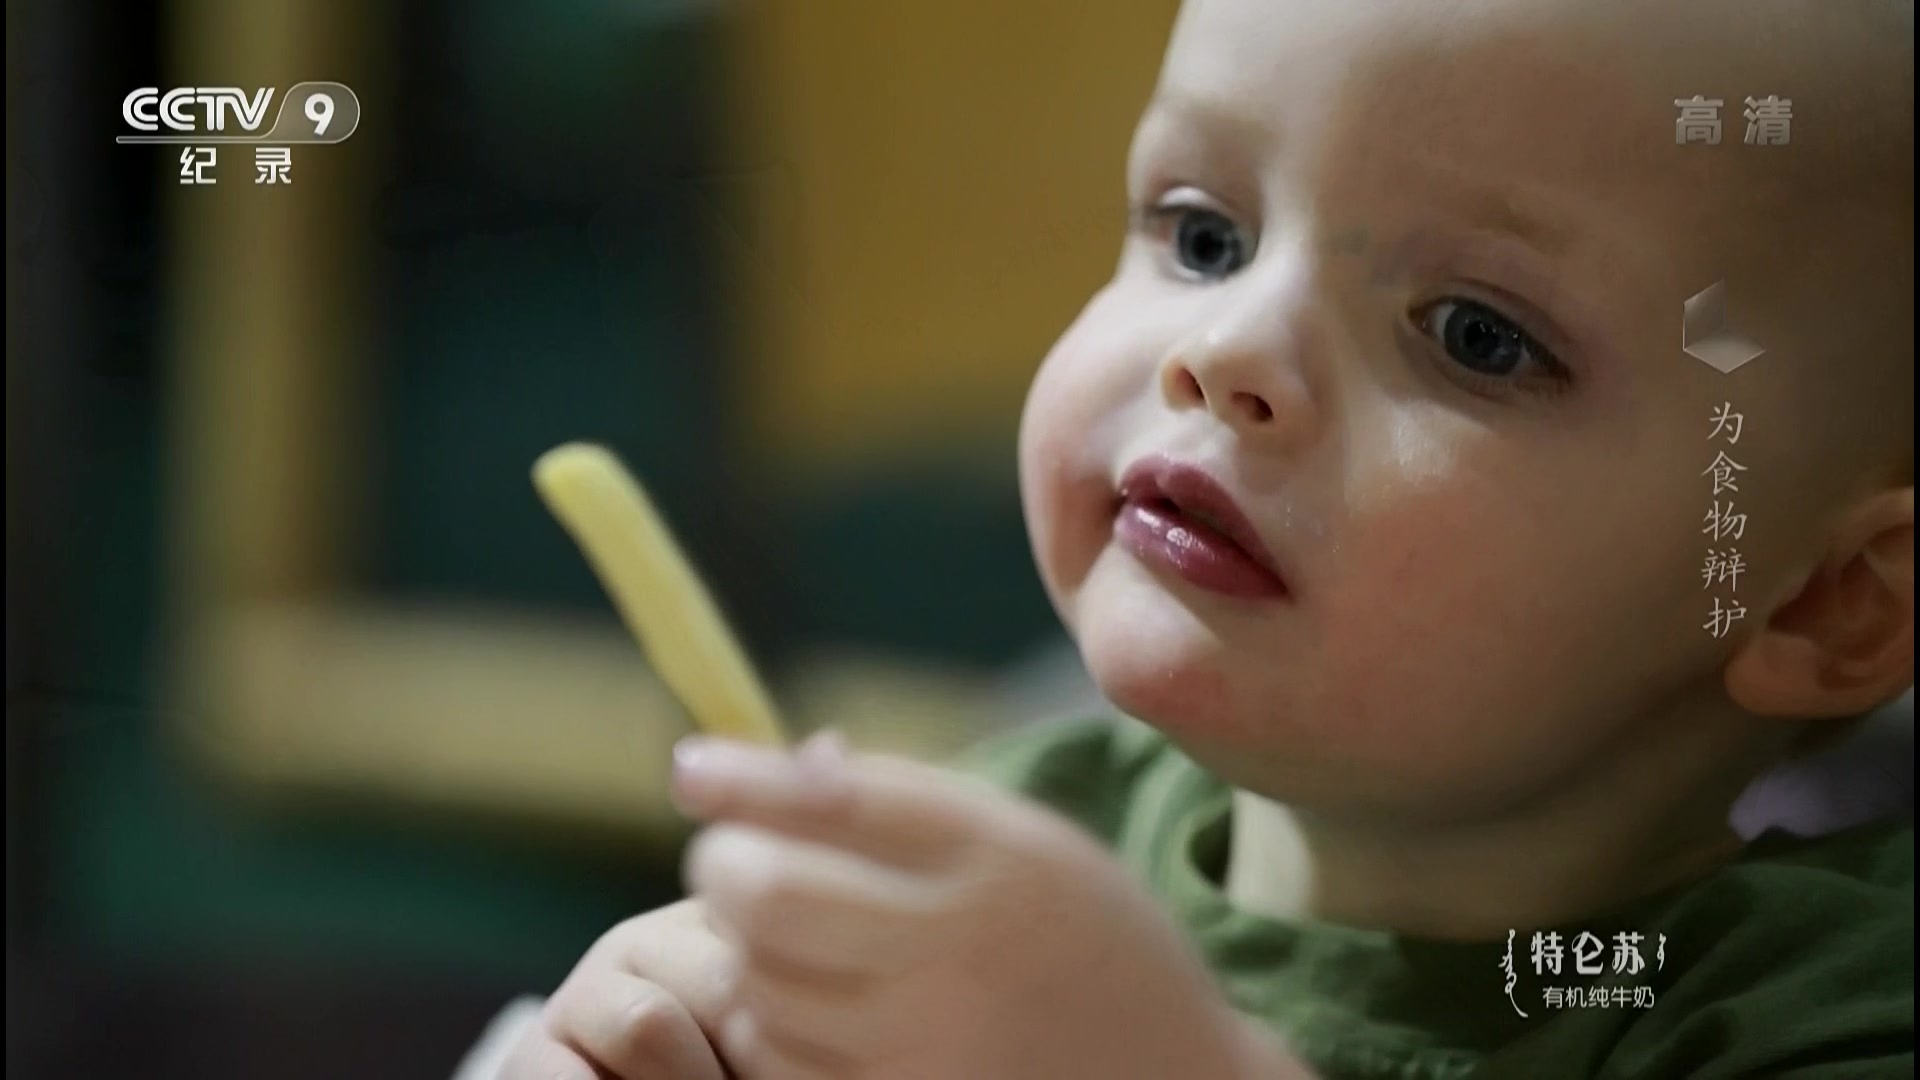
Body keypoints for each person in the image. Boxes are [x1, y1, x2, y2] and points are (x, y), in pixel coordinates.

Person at [490, 0, 1915, 1075]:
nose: (1225, 351)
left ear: (1824, 602)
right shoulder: (1037, 831)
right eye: (1203, 233)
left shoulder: (1812, 1013)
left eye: (1480, 337)